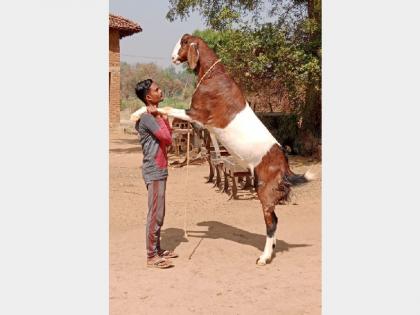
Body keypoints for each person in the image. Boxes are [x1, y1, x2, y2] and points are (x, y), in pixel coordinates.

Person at [134, 79, 178, 269]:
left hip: (160, 169)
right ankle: (151, 255)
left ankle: (158, 249)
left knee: (160, 211)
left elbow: (169, 138)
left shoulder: (155, 116)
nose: (161, 91)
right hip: (154, 170)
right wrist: (160, 118)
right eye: (156, 90)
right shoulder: (147, 118)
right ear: (148, 96)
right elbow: (167, 138)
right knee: (155, 214)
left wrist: (163, 118)